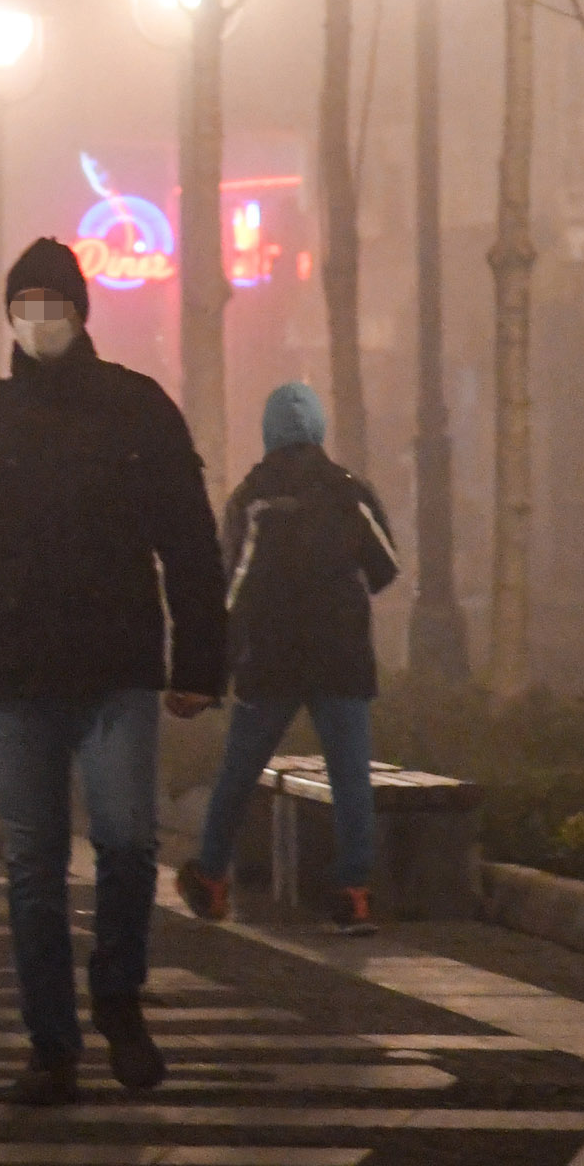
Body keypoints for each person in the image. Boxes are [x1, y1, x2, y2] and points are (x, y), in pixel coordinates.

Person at [0, 236, 225, 1107]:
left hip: (116, 668)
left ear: (83, 312)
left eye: (54, 302)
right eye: (25, 303)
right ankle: (52, 1045)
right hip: (15, 678)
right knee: (34, 871)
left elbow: (190, 542)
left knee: (127, 844)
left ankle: (117, 997)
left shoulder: (137, 410)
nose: (40, 319)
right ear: (9, 317)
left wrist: (202, 658)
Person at [181, 381, 400, 937]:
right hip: (341, 657)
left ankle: (211, 876)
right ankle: (353, 893)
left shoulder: (252, 497)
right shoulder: (349, 490)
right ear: (319, 428)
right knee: (351, 777)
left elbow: (231, 585)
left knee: (238, 771)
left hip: (270, 658)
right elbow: (386, 567)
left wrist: (215, 662)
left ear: (268, 432)